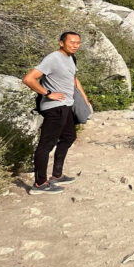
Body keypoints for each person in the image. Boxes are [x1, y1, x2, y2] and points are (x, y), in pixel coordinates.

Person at [22, 31, 91, 195]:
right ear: (61, 43)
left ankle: (57, 175)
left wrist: (84, 98)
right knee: (46, 145)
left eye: (78, 42)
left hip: (66, 106)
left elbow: (74, 79)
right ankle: (39, 184)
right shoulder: (53, 58)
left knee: (69, 137)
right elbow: (29, 79)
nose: (75, 45)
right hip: (54, 107)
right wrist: (47, 93)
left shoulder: (71, 58)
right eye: (71, 42)